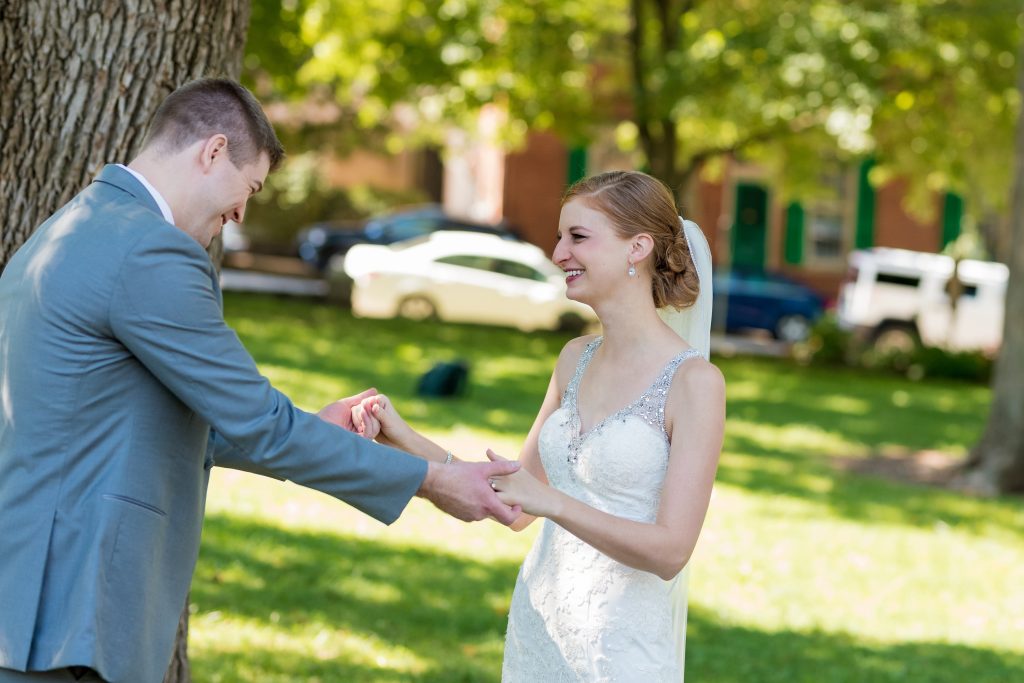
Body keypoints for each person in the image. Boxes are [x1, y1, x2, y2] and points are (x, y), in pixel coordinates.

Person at [0, 77, 519, 683]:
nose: (243, 211)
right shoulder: (150, 251)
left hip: (32, 594)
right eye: (249, 187)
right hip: (71, 603)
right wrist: (432, 479)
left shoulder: (69, 227)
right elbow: (261, 422)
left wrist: (316, 428)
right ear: (212, 151)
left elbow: (148, 419)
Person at [355, 170, 725, 681]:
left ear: (637, 248)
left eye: (577, 237)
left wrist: (552, 502)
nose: (558, 254)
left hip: (620, 650)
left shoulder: (695, 383)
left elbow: (670, 551)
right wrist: (401, 439)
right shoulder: (574, 357)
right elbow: (515, 501)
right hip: (539, 627)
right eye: (559, 237)